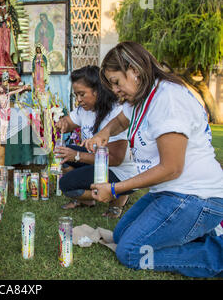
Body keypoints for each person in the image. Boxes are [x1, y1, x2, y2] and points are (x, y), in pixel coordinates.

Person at [83, 41, 223, 278]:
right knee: (120, 235)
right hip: (170, 193)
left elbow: (171, 169)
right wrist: (103, 133)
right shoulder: (141, 98)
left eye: (116, 82)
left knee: (131, 252)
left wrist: (115, 189)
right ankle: (197, 233)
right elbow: (120, 120)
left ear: (134, 70)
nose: (115, 91)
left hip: (195, 198)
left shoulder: (168, 99)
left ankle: (215, 255)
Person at [55, 65, 138, 218]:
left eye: (82, 94)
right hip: (99, 161)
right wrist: (61, 124)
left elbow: (115, 159)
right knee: (63, 153)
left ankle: (117, 195)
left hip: (120, 171)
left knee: (66, 186)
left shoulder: (115, 113)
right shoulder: (85, 110)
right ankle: (87, 200)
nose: (79, 100)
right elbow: (68, 122)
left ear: (98, 91)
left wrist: (77, 156)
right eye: (76, 95)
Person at [0, 71, 29, 144]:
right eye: (0, 89)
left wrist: (23, 88)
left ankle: (3, 137)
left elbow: (16, 91)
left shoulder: (8, 94)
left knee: (6, 125)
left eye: (2, 89)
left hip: (7, 111)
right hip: (1, 111)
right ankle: (2, 137)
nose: (1, 90)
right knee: (2, 124)